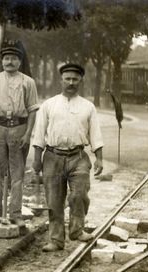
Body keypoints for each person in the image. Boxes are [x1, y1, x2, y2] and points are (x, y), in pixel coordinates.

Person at [31, 63, 104, 252]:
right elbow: (39, 134)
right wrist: (37, 160)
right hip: (52, 157)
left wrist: (99, 158)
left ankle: (77, 230)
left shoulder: (88, 106)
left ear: (80, 80)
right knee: (54, 201)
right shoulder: (49, 105)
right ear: (61, 80)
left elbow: (95, 134)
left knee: (79, 195)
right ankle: (55, 240)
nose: (71, 82)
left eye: (75, 79)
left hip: (78, 156)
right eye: (67, 79)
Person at [0, 43, 39, 225]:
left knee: (17, 173)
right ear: (2, 61)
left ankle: (15, 214)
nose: (10, 62)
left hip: (19, 127)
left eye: (14, 59)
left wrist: (27, 134)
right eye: (6, 58)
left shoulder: (28, 82)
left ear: (20, 62)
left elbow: (33, 109)